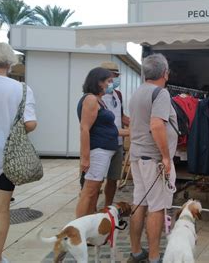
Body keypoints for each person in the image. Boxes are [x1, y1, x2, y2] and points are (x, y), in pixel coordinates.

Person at [0, 42, 37, 263]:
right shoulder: (21, 89)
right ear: (10, 63)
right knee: (1, 209)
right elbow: (30, 124)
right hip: (8, 156)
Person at [127, 54, 178, 263]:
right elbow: (157, 125)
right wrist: (166, 157)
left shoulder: (138, 92)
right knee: (157, 207)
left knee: (139, 203)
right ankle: (155, 256)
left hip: (137, 156)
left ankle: (136, 251)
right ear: (165, 73)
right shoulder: (161, 93)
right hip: (153, 158)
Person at [75, 67, 119, 218]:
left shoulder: (99, 100)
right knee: (89, 191)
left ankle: (86, 224)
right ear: (98, 82)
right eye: (109, 81)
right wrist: (85, 158)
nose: (111, 84)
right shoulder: (91, 99)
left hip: (104, 150)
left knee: (94, 191)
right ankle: (78, 229)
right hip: (98, 151)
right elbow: (85, 129)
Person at [100, 62, 129, 206]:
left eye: (117, 76)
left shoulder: (118, 94)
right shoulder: (95, 95)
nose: (115, 79)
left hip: (117, 144)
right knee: (96, 180)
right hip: (101, 144)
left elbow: (122, 116)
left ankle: (108, 207)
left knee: (113, 179)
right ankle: (91, 209)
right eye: (113, 76)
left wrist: (139, 124)